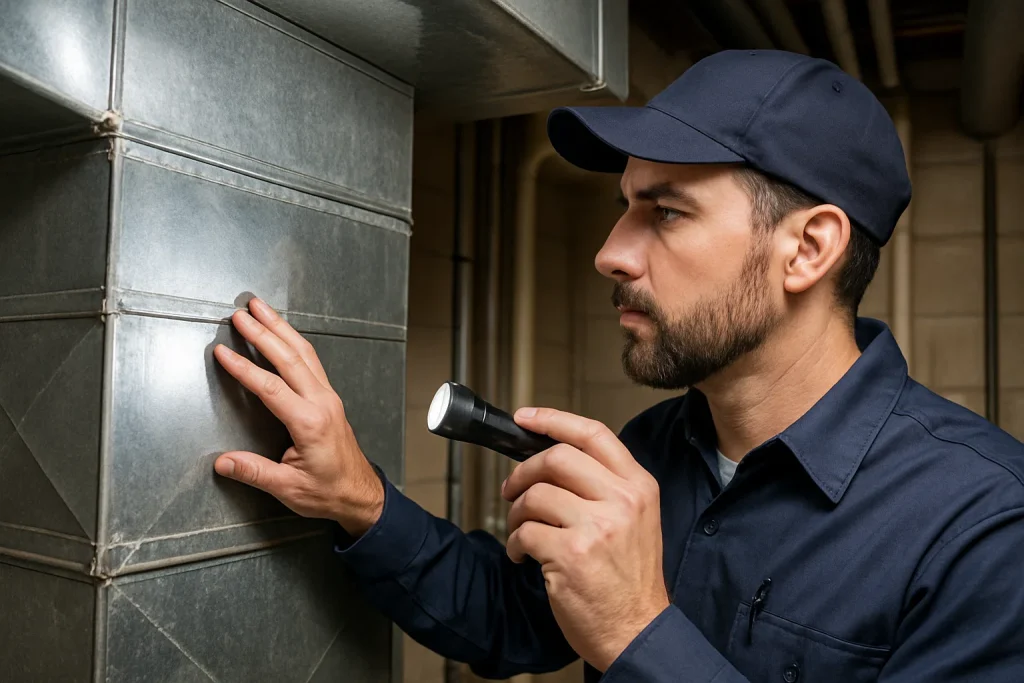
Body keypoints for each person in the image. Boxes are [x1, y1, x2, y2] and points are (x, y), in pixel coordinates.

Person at [210, 50, 1024, 682]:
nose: (609, 254)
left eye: (665, 212)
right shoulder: (656, 448)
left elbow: (621, 627)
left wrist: (640, 633)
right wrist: (359, 496)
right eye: (623, 208)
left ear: (807, 248)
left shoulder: (985, 528)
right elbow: (514, 619)